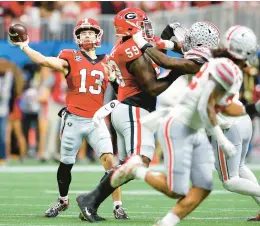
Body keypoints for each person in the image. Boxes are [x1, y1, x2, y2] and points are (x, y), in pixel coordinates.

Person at [9, 18, 128, 220]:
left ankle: (118, 205)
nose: (87, 35)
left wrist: (116, 86)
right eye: (83, 32)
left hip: (96, 120)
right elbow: (43, 61)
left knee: (111, 162)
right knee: (66, 163)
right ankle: (63, 200)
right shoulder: (69, 57)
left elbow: (123, 91)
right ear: (77, 37)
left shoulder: (108, 61)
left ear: (98, 36)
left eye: (91, 32)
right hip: (73, 119)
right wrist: (25, 47)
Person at [76, 8, 183, 222]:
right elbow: (152, 87)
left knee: (125, 168)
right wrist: (180, 70)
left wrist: (174, 36)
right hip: (133, 110)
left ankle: (90, 201)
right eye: (142, 24)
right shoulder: (130, 49)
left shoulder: (133, 43)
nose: (146, 27)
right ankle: (89, 199)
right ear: (131, 28)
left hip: (128, 110)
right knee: (139, 162)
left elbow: (160, 45)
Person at [111, 57, 243, 226]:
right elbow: (206, 107)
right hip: (180, 125)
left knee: (204, 185)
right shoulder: (219, 70)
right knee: (175, 190)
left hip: (196, 128)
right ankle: (136, 170)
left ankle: (166, 223)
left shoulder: (221, 66)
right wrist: (222, 140)